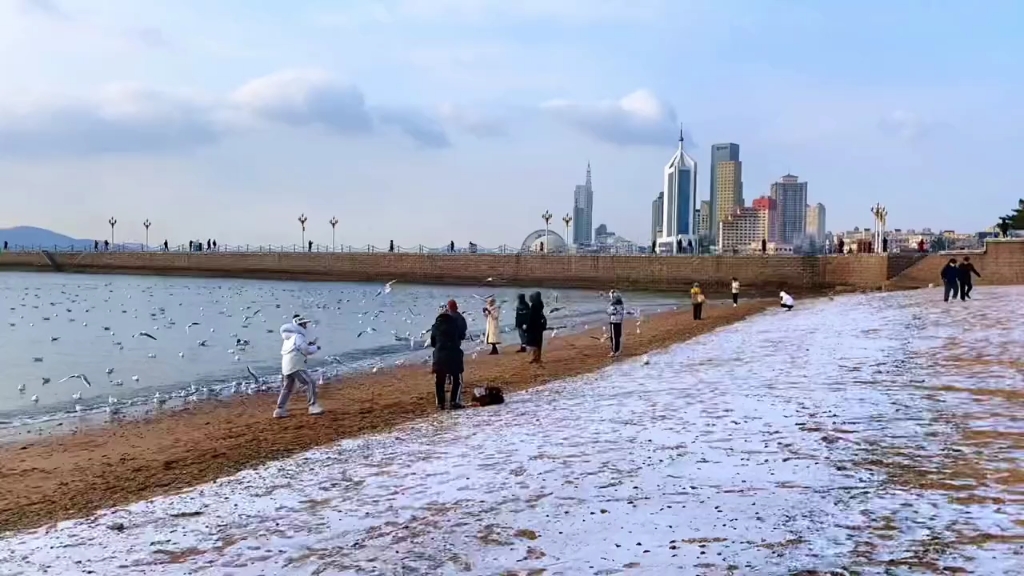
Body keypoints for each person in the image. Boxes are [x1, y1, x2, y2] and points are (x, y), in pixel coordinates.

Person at [274, 314, 324, 418]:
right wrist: (315, 348)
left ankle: (279, 409)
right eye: (304, 324)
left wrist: (309, 346)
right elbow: (305, 350)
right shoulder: (298, 336)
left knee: (287, 388)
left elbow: (298, 349)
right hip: (296, 365)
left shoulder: (288, 338)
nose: (305, 326)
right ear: (300, 325)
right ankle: (313, 406)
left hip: (286, 367)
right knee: (310, 382)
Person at [430, 303, 466, 409]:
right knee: (457, 379)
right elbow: (461, 336)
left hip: (439, 356)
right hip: (453, 354)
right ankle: (454, 401)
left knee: (439, 380)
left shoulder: (435, 327)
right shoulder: (455, 324)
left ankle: (440, 403)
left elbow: (433, 343)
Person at [525, 291, 547, 364]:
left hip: (533, 327)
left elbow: (531, 319)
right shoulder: (540, 304)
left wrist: (527, 327)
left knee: (534, 343)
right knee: (538, 342)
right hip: (539, 327)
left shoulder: (534, 306)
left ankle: (535, 357)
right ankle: (538, 357)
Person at [607, 290, 624, 357]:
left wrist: (608, 311)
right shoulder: (621, 303)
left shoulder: (613, 304)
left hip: (614, 321)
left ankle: (614, 351)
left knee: (614, 337)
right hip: (619, 321)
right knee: (618, 336)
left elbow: (611, 312)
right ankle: (618, 350)